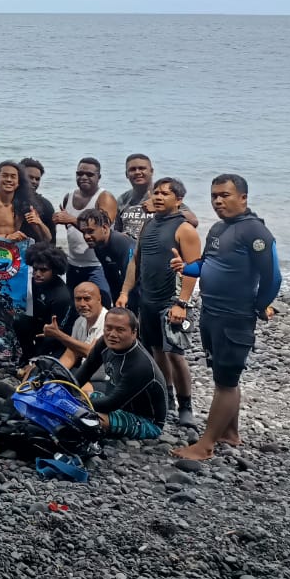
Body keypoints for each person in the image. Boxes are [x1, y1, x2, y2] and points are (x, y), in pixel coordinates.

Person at [173, 174, 281, 461]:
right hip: (211, 312)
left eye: (225, 195)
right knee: (221, 374)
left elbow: (273, 276)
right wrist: (186, 267)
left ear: (243, 197)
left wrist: (260, 305)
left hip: (235, 316)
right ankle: (229, 432)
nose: (218, 201)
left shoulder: (254, 231)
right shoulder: (219, 229)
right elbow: (208, 265)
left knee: (226, 382)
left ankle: (205, 445)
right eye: (214, 196)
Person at [117, 178, 202, 427]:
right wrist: (125, 292)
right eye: (156, 193)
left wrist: (182, 303)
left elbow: (193, 269)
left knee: (175, 354)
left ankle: (186, 405)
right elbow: (135, 262)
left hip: (172, 301)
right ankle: (166, 398)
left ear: (179, 200)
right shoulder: (148, 226)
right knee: (155, 351)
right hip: (148, 299)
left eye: (166, 193)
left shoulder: (185, 229)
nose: (158, 197)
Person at [73, 308, 169, 440]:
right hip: (117, 402)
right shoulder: (104, 342)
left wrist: (73, 402)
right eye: (108, 328)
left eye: (120, 330)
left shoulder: (140, 365)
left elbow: (111, 404)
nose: (112, 334)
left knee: (83, 416)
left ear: (134, 333)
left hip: (147, 421)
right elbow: (83, 374)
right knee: (72, 396)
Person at [54, 158, 117, 278]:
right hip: (73, 263)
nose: (83, 177)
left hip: (98, 265)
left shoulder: (104, 197)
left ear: (99, 177)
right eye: (79, 173)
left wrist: (72, 219)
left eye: (89, 174)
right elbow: (70, 230)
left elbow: (104, 231)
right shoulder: (69, 196)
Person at [14, 243, 74, 364]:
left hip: (58, 334)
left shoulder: (61, 296)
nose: (37, 274)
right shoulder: (34, 282)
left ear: (55, 270)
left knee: (43, 356)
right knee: (19, 320)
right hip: (41, 323)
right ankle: (27, 355)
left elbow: (58, 331)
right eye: (35, 269)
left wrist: (38, 356)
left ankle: (36, 359)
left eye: (43, 270)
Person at [115, 154, 199, 239]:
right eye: (132, 169)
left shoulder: (163, 195)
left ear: (151, 171)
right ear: (126, 174)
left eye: (142, 168)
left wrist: (160, 208)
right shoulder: (123, 200)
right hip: (129, 249)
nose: (137, 172)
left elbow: (193, 221)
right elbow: (116, 231)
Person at [41, 282, 107, 376]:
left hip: (103, 379)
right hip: (84, 374)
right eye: (78, 299)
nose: (82, 304)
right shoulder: (79, 321)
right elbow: (70, 355)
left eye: (87, 299)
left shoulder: (108, 322)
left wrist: (59, 335)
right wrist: (53, 374)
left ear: (99, 299)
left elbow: (91, 353)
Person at [0, 161, 51, 241]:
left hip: (14, 251)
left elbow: (47, 238)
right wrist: (7, 237)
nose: (9, 179)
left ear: (18, 182)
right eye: (5, 176)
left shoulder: (23, 205)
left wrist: (39, 223)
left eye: (13, 177)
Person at [78, 208, 131, 303]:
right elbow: (111, 276)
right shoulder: (98, 245)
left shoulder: (120, 242)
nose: (86, 236)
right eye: (83, 232)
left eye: (90, 231)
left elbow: (132, 275)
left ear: (105, 228)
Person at [19, 158, 58, 242]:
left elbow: (52, 240)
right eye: (30, 177)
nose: (34, 181)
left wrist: (38, 223)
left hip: (35, 251)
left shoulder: (46, 205)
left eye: (37, 179)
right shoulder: (7, 199)